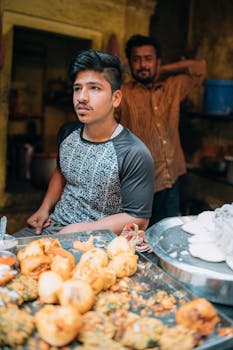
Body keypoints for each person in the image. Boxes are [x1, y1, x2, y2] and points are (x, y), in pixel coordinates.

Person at [13, 49, 154, 237]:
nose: (82, 97)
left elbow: (139, 219)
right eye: (78, 88)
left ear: (116, 98)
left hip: (97, 242)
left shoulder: (133, 152)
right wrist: (44, 208)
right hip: (53, 226)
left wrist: (81, 229)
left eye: (94, 88)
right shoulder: (67, 132)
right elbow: (61, 172)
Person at [117, 34, 206, 226]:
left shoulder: (172, 87)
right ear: (130, 63)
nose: (142, 65)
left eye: (148, 59)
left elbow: (200, 67)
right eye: (136, 59)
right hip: (137, 184)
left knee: (165, 234)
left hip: (171, 178)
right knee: (135, 240)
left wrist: (164, 69)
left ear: (158, 61)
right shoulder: (121, 94)